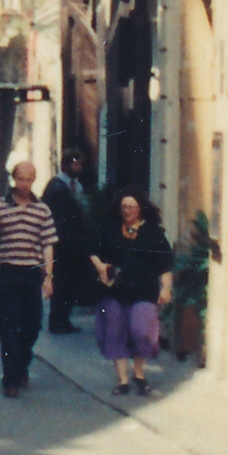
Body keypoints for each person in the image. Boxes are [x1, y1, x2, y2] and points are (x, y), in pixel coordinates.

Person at [0, 154, 56, 398]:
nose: (24, 184)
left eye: (29, 179)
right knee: (8, 326)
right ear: (14, 179)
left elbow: (48, 244)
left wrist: (48, 276)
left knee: (33, 325)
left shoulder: (42, 210)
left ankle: (21, 363)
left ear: (34, 181)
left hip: (32, 272)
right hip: (7, 271)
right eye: (21, 179)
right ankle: (10, 379)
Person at [90, 190, 172, 396]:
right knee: (115, 331)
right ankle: (123, 380)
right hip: (113, 290)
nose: (127, 211)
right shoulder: (108, 228)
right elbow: (92, 250)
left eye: (132, 207)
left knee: (141, 330)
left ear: (140, 208)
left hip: (144, 291)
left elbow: (165, 264)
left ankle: (138, 373)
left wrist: (166, 288)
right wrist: (100, 267)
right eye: (124, 207)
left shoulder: (153, 232)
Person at [45, 149, 94, 334]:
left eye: (80, 164)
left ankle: (63, 319)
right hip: (62, 243)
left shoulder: (76, 186)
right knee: (62, 282)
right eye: (75, 164)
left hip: (73, 243)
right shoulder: (56, 187)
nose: (79, 167)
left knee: (70, 283)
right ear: (66, 165)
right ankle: (57, 320)